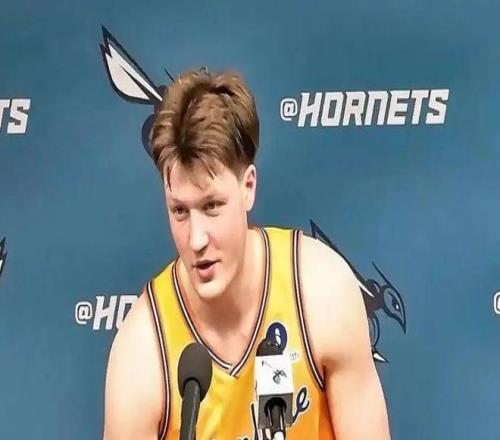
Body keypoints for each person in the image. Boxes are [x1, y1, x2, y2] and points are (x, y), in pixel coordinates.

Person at [103, 69, 391, 440]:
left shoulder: (321, 292)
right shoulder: (142, 353)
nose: (196, 239)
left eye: (212, 206)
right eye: (179, 211)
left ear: (248, 187)